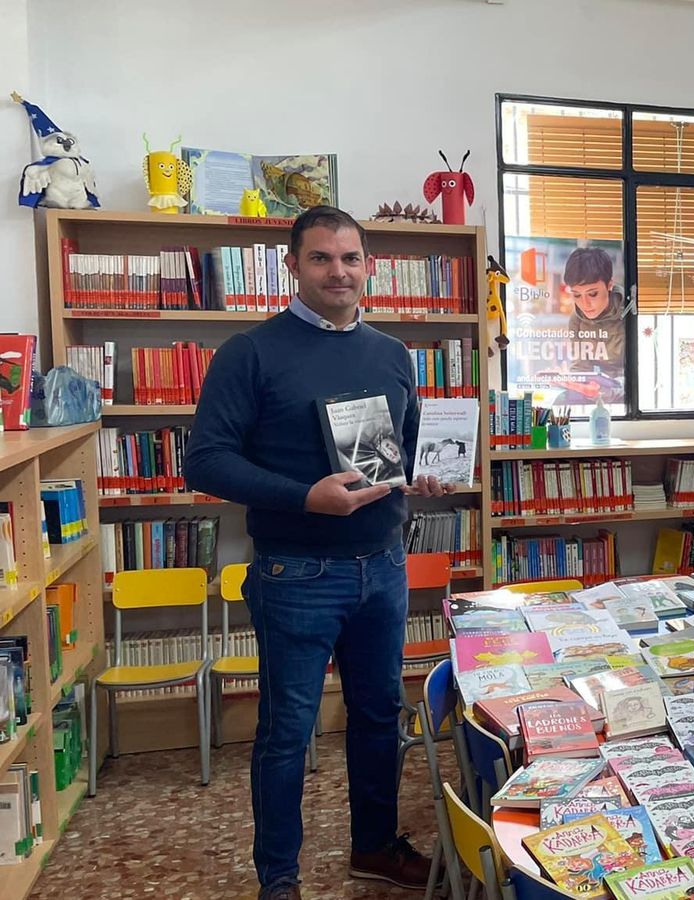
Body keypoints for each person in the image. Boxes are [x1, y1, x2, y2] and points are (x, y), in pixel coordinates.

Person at [185, 206, 450, 900]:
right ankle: (279, 879)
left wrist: (425, 474)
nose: (339, 271)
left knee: (377, 716)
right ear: (293, 266)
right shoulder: (250, 352)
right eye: (322, 258)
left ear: (369, 266)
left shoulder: (391, 353)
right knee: (286, 734)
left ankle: (375, 848)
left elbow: (402, 451)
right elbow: (205, 461)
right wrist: (306, 497)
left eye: (351, 258)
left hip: (383, 566)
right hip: (295, 573)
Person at [564, 246, 627, 377]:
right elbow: (580, 368)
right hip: (599, 385)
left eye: (592, 294)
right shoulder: (576, 320)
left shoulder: (630, 312)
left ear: (609, 285)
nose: (584, 304)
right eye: (577, 295)